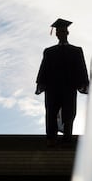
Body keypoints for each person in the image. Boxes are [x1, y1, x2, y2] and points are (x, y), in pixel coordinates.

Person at [35, 18, 89, 147]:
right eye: (59, 31)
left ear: (67, 33)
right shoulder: (49, 51)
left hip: (69, 86)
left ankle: (67, 137)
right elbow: (44, 68)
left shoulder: (76, 50)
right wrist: (41, 83)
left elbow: (81, 67)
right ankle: (51, 138)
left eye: (64, 31)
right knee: (51, 112)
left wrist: (83, 83)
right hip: (52, 87)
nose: (62, 33)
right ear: (56, 34)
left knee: (69, 112)